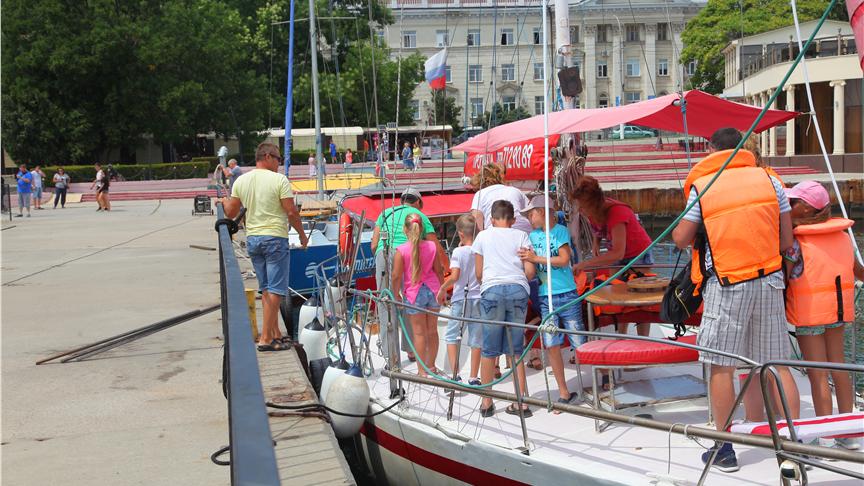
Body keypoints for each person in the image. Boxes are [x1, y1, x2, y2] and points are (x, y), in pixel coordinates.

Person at [672, 127, 800, 473]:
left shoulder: (705, 185)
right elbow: (786, 239)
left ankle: (725, 448)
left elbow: (681, 238)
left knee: (721, 366)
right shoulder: (771, 181)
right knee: (775, 365)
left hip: (728, 286)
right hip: (770, 281)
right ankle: (791, 446)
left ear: (711, 149)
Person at [784, 181, 863, 450]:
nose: (789, 206)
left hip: (810, 315)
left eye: (794, 202)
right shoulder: (843, 237)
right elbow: (858, 271)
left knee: (817, 374)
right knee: (839, 368)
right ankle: (847, 432)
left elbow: (783, 276)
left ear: (807, 209)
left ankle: (825, 434)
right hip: (838, 311)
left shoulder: (796, 242)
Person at [222, 143, 309, 351]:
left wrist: (224, 201)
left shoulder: (242, 180)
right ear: (268, 156)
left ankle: (276, 333)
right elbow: (291, 212)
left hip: (253, 239)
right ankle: (265, 339)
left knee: (267, 289)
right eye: (278, 159)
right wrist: (302, 235)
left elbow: (231, 213)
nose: (280, 163)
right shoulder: (279, 180)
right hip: (274, 238)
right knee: (276, 290)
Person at [518, 195, 584, 409]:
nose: (529, 218)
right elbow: (529, 263)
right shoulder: (532, 237)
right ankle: (564, 392)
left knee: (578, 341)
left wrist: (535, 259)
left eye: (531, 214)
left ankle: (601, 374)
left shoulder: (560, 232)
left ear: (543, 212)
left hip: (567, 294)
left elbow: (564, 260)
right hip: (546, 296)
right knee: (551, 343)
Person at [569, 175, 654, 336]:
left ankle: (644, 339)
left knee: (642, 299)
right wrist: (596, 242)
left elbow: (617, 253)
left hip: (638, 255)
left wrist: (586, 264)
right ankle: (621, 336)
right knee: (619, 294)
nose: (580, 210)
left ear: (593, 203)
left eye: (583, 206)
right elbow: (598, 227)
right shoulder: (593, 212)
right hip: (618, 256)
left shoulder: (617, 212)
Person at [472, 200, 535, 418]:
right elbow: (530, 272)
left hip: (492, 290)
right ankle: (522, 403)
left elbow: (478, 273)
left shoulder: (482, 236)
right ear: (514, 220)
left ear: (491, 219)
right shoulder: (521, 236)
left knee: (489, 350)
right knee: (516, 349)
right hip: (518, 289)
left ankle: (487, 402)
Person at [371, 187, 447, 360]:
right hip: (408, 255)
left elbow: (374, 245)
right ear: (419, 202)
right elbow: (436, 248)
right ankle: (411, 349)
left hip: (384, 255)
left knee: (386, 304)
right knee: (410, 299)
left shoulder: (385, 213)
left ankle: (392, 358)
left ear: (401, 201)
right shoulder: (419, 215)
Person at [391, 214, 444, 377]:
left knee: (419, 334)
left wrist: (396, 295)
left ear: (405, 230)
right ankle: (432, 366)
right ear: (421, 229)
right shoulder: (432, 246)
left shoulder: (402, 250)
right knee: (432, 332)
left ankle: (422, 371)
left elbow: (396, 276)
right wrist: (442, 290)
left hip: (414, 294)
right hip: (433, 290)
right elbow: (439, 270)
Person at [437, 214, 482, 385]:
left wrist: (442, 287)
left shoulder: (457, 252)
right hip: (478, 296)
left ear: (460, 234)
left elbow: (455, 276)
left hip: (460, 298)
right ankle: (473, 376)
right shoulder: (479, 250)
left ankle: (455, 373)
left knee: (452, 336)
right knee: (476, 338)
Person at [469, 163, 532, 233]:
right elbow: (530, 212)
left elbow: (477, 220)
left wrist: (479, 239)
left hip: (497, 233)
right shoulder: (515, 190)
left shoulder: (480, 194)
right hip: (525, 231)